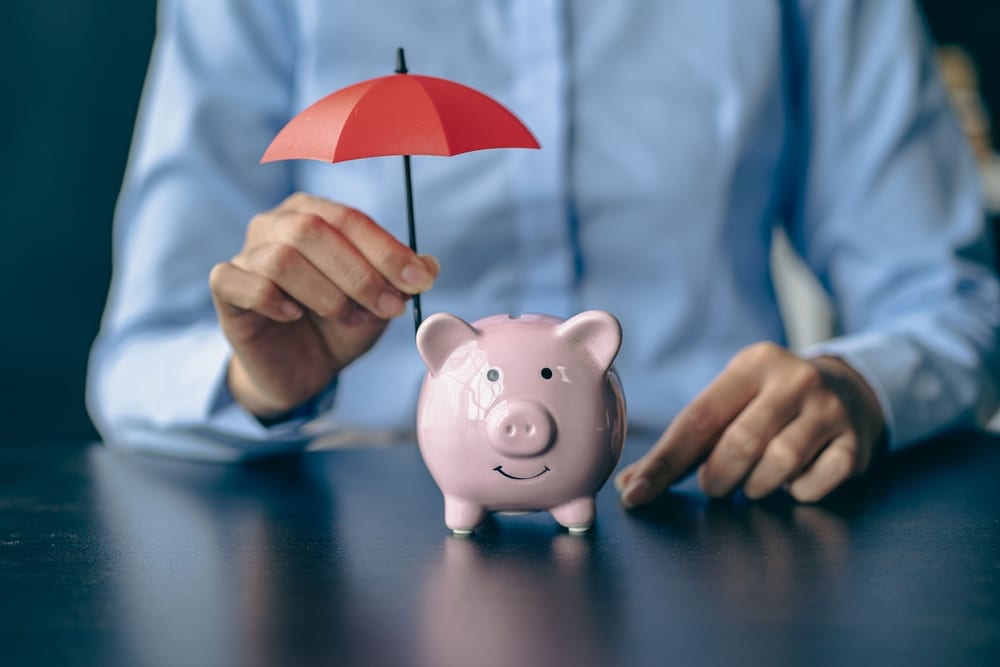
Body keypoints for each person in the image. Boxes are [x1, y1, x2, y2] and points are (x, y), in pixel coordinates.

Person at [88, 0, 1000, 505]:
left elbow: (950, 297)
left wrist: (858, 381)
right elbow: (138, 361)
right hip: (350, 518)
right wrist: (260, 379)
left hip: (706, 491)